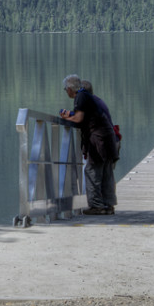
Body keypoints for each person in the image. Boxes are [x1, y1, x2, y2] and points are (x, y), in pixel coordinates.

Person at [59, 74, 119, 215]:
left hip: (99, 140)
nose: (66, 92)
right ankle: (108, 205)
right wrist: (71, 115)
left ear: (69, 89)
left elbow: (79, 118)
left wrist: (68, 118)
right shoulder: (87, 96)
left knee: (92, 171)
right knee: (106, 172)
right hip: (108, 137)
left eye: (65, 89)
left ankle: (97, 206)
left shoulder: (80, 96)